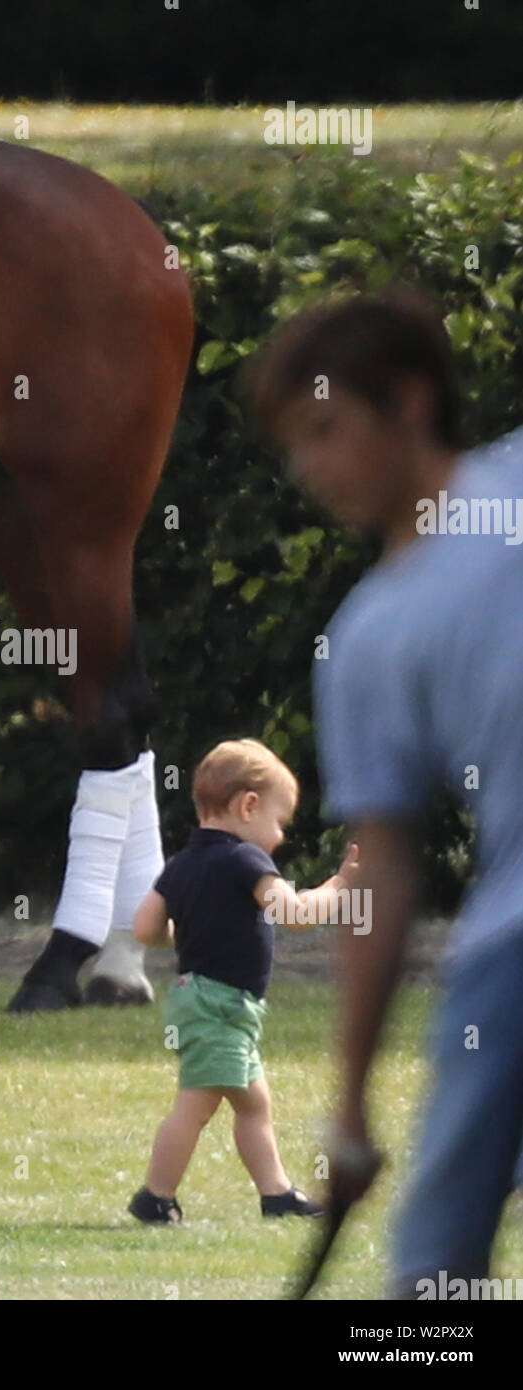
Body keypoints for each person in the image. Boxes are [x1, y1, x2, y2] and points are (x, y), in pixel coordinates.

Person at [243, 284, 523, 1297]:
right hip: (507, 957)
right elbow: (385, 873)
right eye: (293, 444)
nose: (308, 467)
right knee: (434, 1274)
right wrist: (351, 1108)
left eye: (324, 429)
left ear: (406, 403)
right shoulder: (364, 640)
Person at [128, 737, 358, 1224]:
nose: (279, 836)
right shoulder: (245, 860)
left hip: (204, 1001)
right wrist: (338, 887)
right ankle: (155, 1196)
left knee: (254, 1102)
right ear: (248, 805)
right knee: (196, 1105)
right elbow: (293, 914)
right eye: (279, 822)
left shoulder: (182, 864)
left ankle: (276, 1193)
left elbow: (145, 928)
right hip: (221, 1005)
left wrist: (189, 931)